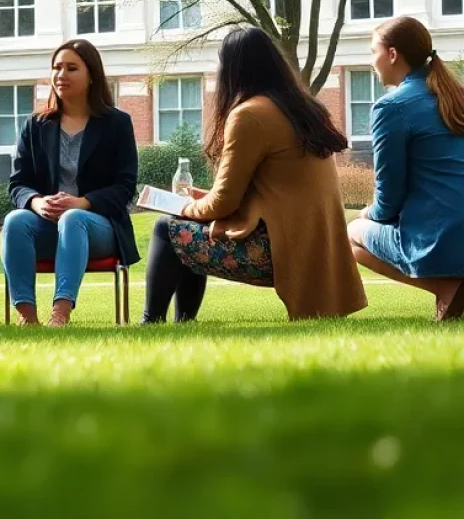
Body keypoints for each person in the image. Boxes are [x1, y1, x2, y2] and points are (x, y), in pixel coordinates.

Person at [143, 27, 366, 323]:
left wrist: (184, 206)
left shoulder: (249, 115)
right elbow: (271, 190)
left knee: (165, 228)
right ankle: (183, 323)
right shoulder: (304, 109)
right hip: (318, 256)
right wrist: (203, 201)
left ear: (232, 70)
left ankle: (152, 323)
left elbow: (223, 204)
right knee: (184, 225)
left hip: (274, 254)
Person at [2, 39, 140, 327]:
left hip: (98, 228)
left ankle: (60, 315)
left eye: (71, 68)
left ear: (91, 76)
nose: (61, 74)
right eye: (57, 67)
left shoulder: (117, 124)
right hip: (47, 226)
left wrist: (83, 202)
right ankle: (27, 319)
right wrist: (36, 202)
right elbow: (18, 183)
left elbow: (125, 187)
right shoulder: (36, 125)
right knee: (16, 220)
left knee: (74, 218)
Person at [347, 16, 464, 321]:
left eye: (374, 51)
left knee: (351, 233)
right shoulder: (455, 97)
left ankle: (445, 288)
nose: (372, 62)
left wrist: (367, 212)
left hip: (442, 237)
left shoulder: (392, 107)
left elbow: (389, 200)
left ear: (393, 54)